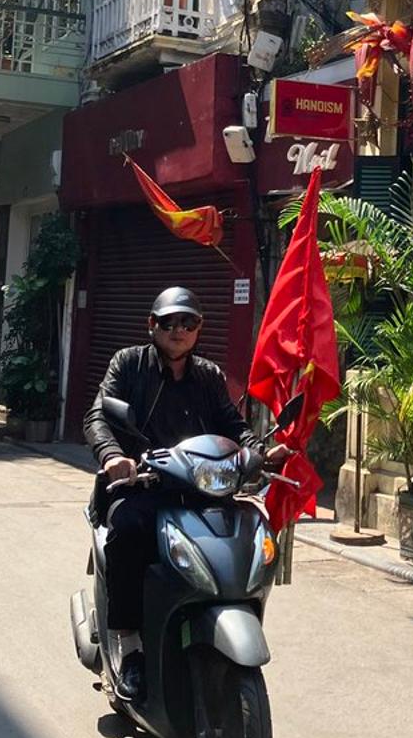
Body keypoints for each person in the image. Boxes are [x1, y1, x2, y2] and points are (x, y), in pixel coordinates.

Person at [84, 286, 283, 703]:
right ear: (152, 325)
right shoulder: (129, 363)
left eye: (188, 322)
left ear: (198, 328)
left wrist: (257, 452)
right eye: (169, 322)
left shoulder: (208, 375)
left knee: (244, 529)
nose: (179, 330)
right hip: (142, 486)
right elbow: (99, 415)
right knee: (128, 529)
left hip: (199, 488)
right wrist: (113, 456)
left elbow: (232, 424)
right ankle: (129, 645)